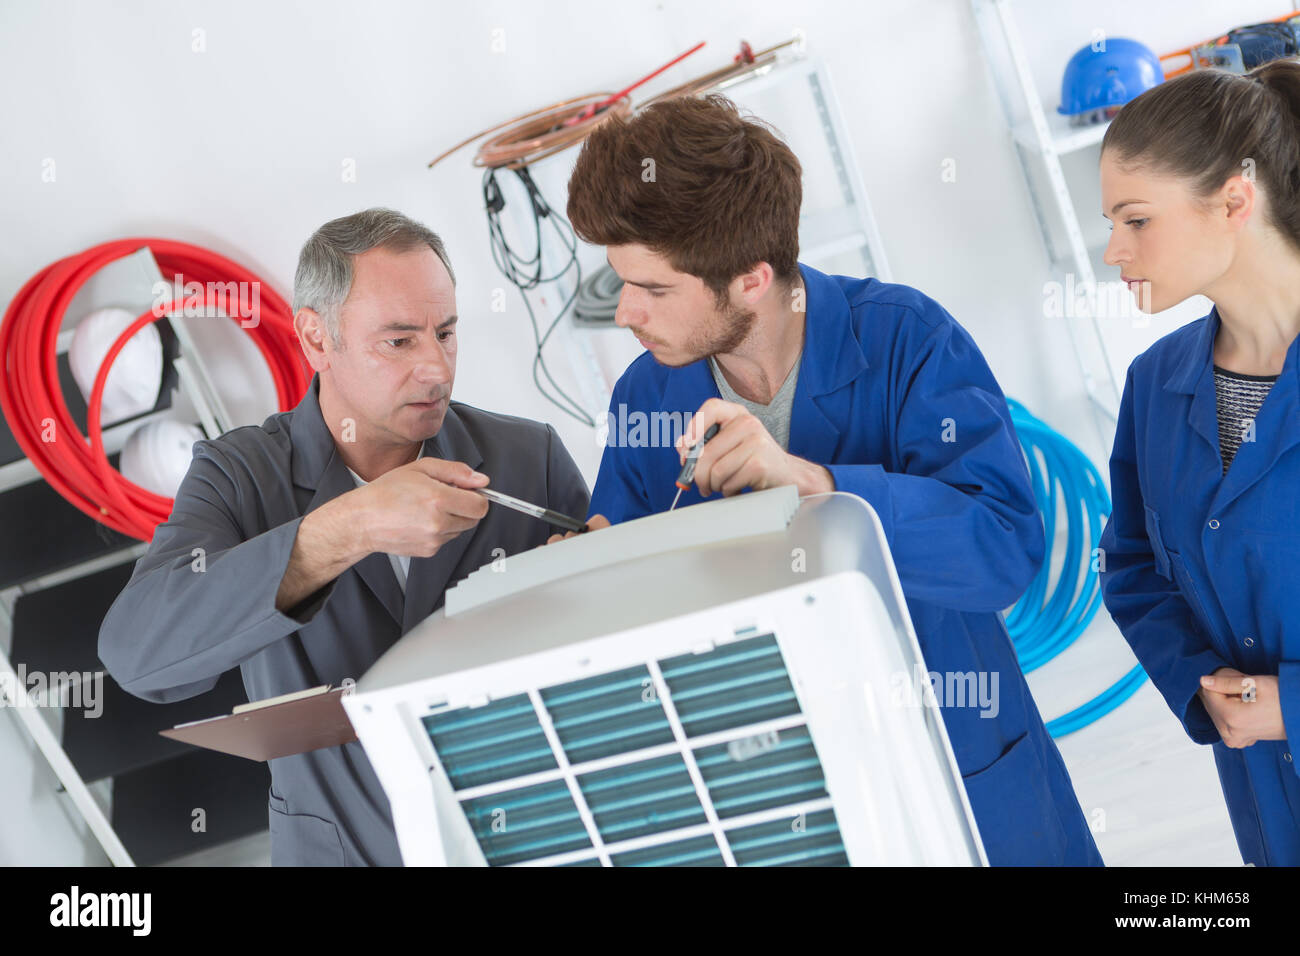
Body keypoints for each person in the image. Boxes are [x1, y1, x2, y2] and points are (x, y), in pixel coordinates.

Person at [560, 94, 1103, 865]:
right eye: (621, 282)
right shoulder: (646, 398)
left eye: (653, 290)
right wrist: (586, 570)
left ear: (749, 280)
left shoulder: (908, 339)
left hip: (954, 750)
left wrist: (818, 487)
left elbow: (1004, 549)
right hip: (776, 788)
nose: (625, 315)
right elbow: (633, 580)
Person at [98, 208, 590, 865]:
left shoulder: (528, 456)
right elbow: (139, 656)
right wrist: (345, 528)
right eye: (399, 341)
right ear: (316, 338)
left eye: (446, 333)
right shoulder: (240, 477)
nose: (437, 369)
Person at [1097, 60, 1300, 866]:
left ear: (1234, 201)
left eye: (1135, 220)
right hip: (1265, 799)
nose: (1113, 249)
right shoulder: (1156, 384)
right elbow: (1133, 563)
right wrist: (1200, 686)